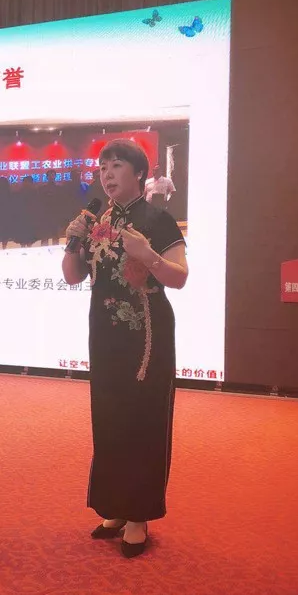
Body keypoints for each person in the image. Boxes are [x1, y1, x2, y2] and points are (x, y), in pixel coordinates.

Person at [62, 140, 188, 558]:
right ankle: (114, 506)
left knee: (143, 420)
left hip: (146, 336)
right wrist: (72, 243)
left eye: (116, 165)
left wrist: (148, 255)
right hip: (105, 333)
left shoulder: (158, 219)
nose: (107, 174)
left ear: (139, 173)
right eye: (102, 168)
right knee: (109, 417)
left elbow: (180, 277)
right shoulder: (96, 221)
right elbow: (72, 277)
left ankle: (139, 515)